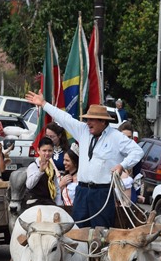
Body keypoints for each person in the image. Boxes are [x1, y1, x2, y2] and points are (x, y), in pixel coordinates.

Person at [25, 91, 143, 228]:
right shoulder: (83, 130)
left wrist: (122, 165)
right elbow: (64, 118)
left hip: (102, 192)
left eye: (92, 120)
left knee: (100, 231)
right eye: (87, 119)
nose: (88, 123)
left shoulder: (116, 137)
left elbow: (137, 152)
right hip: (82, 191)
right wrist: (44, 104)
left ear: (103, 121)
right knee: (77, 229)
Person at [25, 136, 62, 207]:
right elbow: (29, 185)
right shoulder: (34, 166)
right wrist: (40, 171)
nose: (47, 153)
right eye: (44, 151)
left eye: (50, 151)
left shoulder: (51, 167)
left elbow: (56, 187)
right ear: (38, 150)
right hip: (35, 202)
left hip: (49, 202)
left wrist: (59, 204)